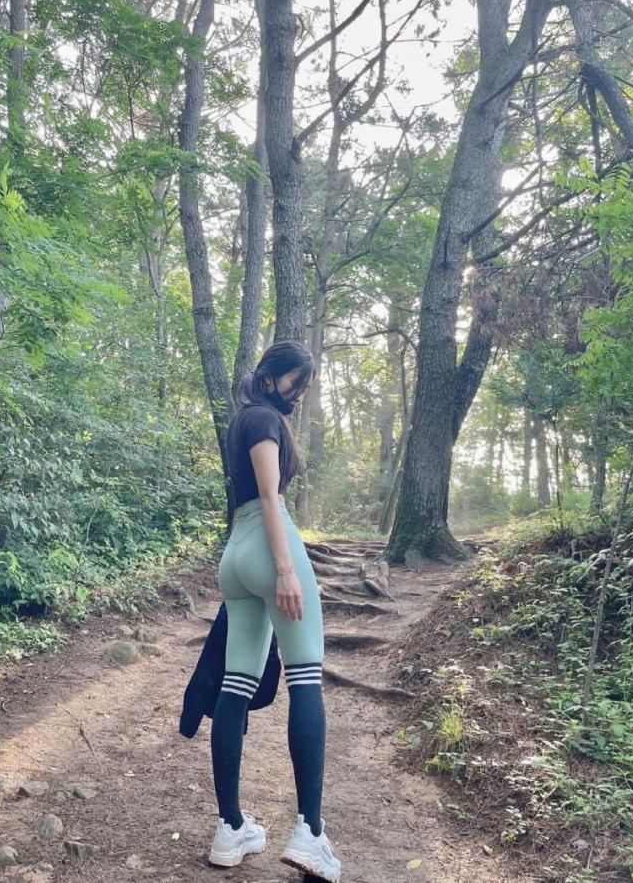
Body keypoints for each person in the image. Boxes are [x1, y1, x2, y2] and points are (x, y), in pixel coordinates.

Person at [207, 341, 342, 883]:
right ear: (269, 379)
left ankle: (230, 828)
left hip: (235, 556)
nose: (298, 395)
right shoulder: (264, 418)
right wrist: (286, 570)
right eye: (295, 383)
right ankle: (310, 832)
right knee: (306, 677)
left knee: (235, 684)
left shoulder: (243, 419)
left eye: (303, 387)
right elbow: (269, 495)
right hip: (268, 543)